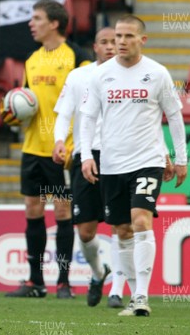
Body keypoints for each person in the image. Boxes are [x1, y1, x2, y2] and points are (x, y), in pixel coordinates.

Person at [80, 15, 188, 317]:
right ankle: (131, 295)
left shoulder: (157, 73)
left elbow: (174, 117)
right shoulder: (101, 75)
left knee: (141, 220)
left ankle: (141, 296)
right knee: (122, 229)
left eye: (128, 36)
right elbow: (88, 118)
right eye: (117, 36)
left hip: (147, 161)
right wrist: (87, 155)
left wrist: (180, 158)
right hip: (112, 164)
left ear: (143, 40)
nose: (121, 42)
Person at [6, 0, 91, 299]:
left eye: (37, 18)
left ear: (54, 23)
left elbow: (88, 102)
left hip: (63, 149)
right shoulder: (31, 59)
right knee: (33, 209)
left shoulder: (78, 57)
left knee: (63, 210)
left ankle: (64, 282)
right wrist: (13, 111)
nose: (31, 23)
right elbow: (27, 100)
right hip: (33, 148)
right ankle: (34, 282)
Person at [52, 27, 116, 307]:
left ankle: (121, 292)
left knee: (123, 225)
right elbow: (64, 112)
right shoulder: (79, 76)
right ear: (95, 47)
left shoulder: (135, 76)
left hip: (122, 157)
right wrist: (58, 141)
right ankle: (99, 273)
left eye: (116, 41)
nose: (111, 47)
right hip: (85, 156)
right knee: (86, 231)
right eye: (105, 42)